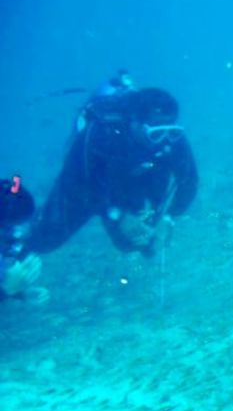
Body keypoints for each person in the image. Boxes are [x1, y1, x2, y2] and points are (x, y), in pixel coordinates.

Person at [28, 73, 198, 256]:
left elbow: (189, 179)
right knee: (44, 240)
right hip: (88, 182)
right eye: (155, 135)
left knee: (136, 242)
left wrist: (169, 216)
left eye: (171, 133)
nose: (164, 140)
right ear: (134, 123)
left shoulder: (170, 136)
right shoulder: (100, 133)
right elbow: (79, 184)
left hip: (138, 176)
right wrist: (118, 215)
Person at [0, 174, 45, 302]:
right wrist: (7, 289)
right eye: (9, 230)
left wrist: (20, 293)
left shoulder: (13, 244)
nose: (18, 235)